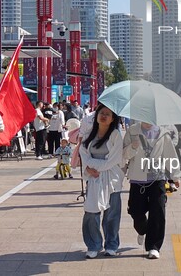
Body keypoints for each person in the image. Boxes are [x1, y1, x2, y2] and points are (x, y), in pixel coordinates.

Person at [123, 121, 181, 259]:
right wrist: (133, 146)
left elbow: (170, 155)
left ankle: (154, 247)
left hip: (158, 178)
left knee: (158, 211)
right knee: (136, 212)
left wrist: (175, 176)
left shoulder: (163, 133)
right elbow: (124, 155)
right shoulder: (132, 131)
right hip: (138, 178)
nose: (148, 122)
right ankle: (143, 230)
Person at [79, 104, 124, 258]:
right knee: (91, 212)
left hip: (112, 179)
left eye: (108, 114)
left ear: (112, 119)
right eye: (101, 113)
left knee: (112, 214)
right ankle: (93, 245)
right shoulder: (88, 134)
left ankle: (111, 244)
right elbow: (83, 153)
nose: (103, 116)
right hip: (94, 178)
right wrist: (87, 169)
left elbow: (113, 160)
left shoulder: (116, 135)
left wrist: (93, 165)